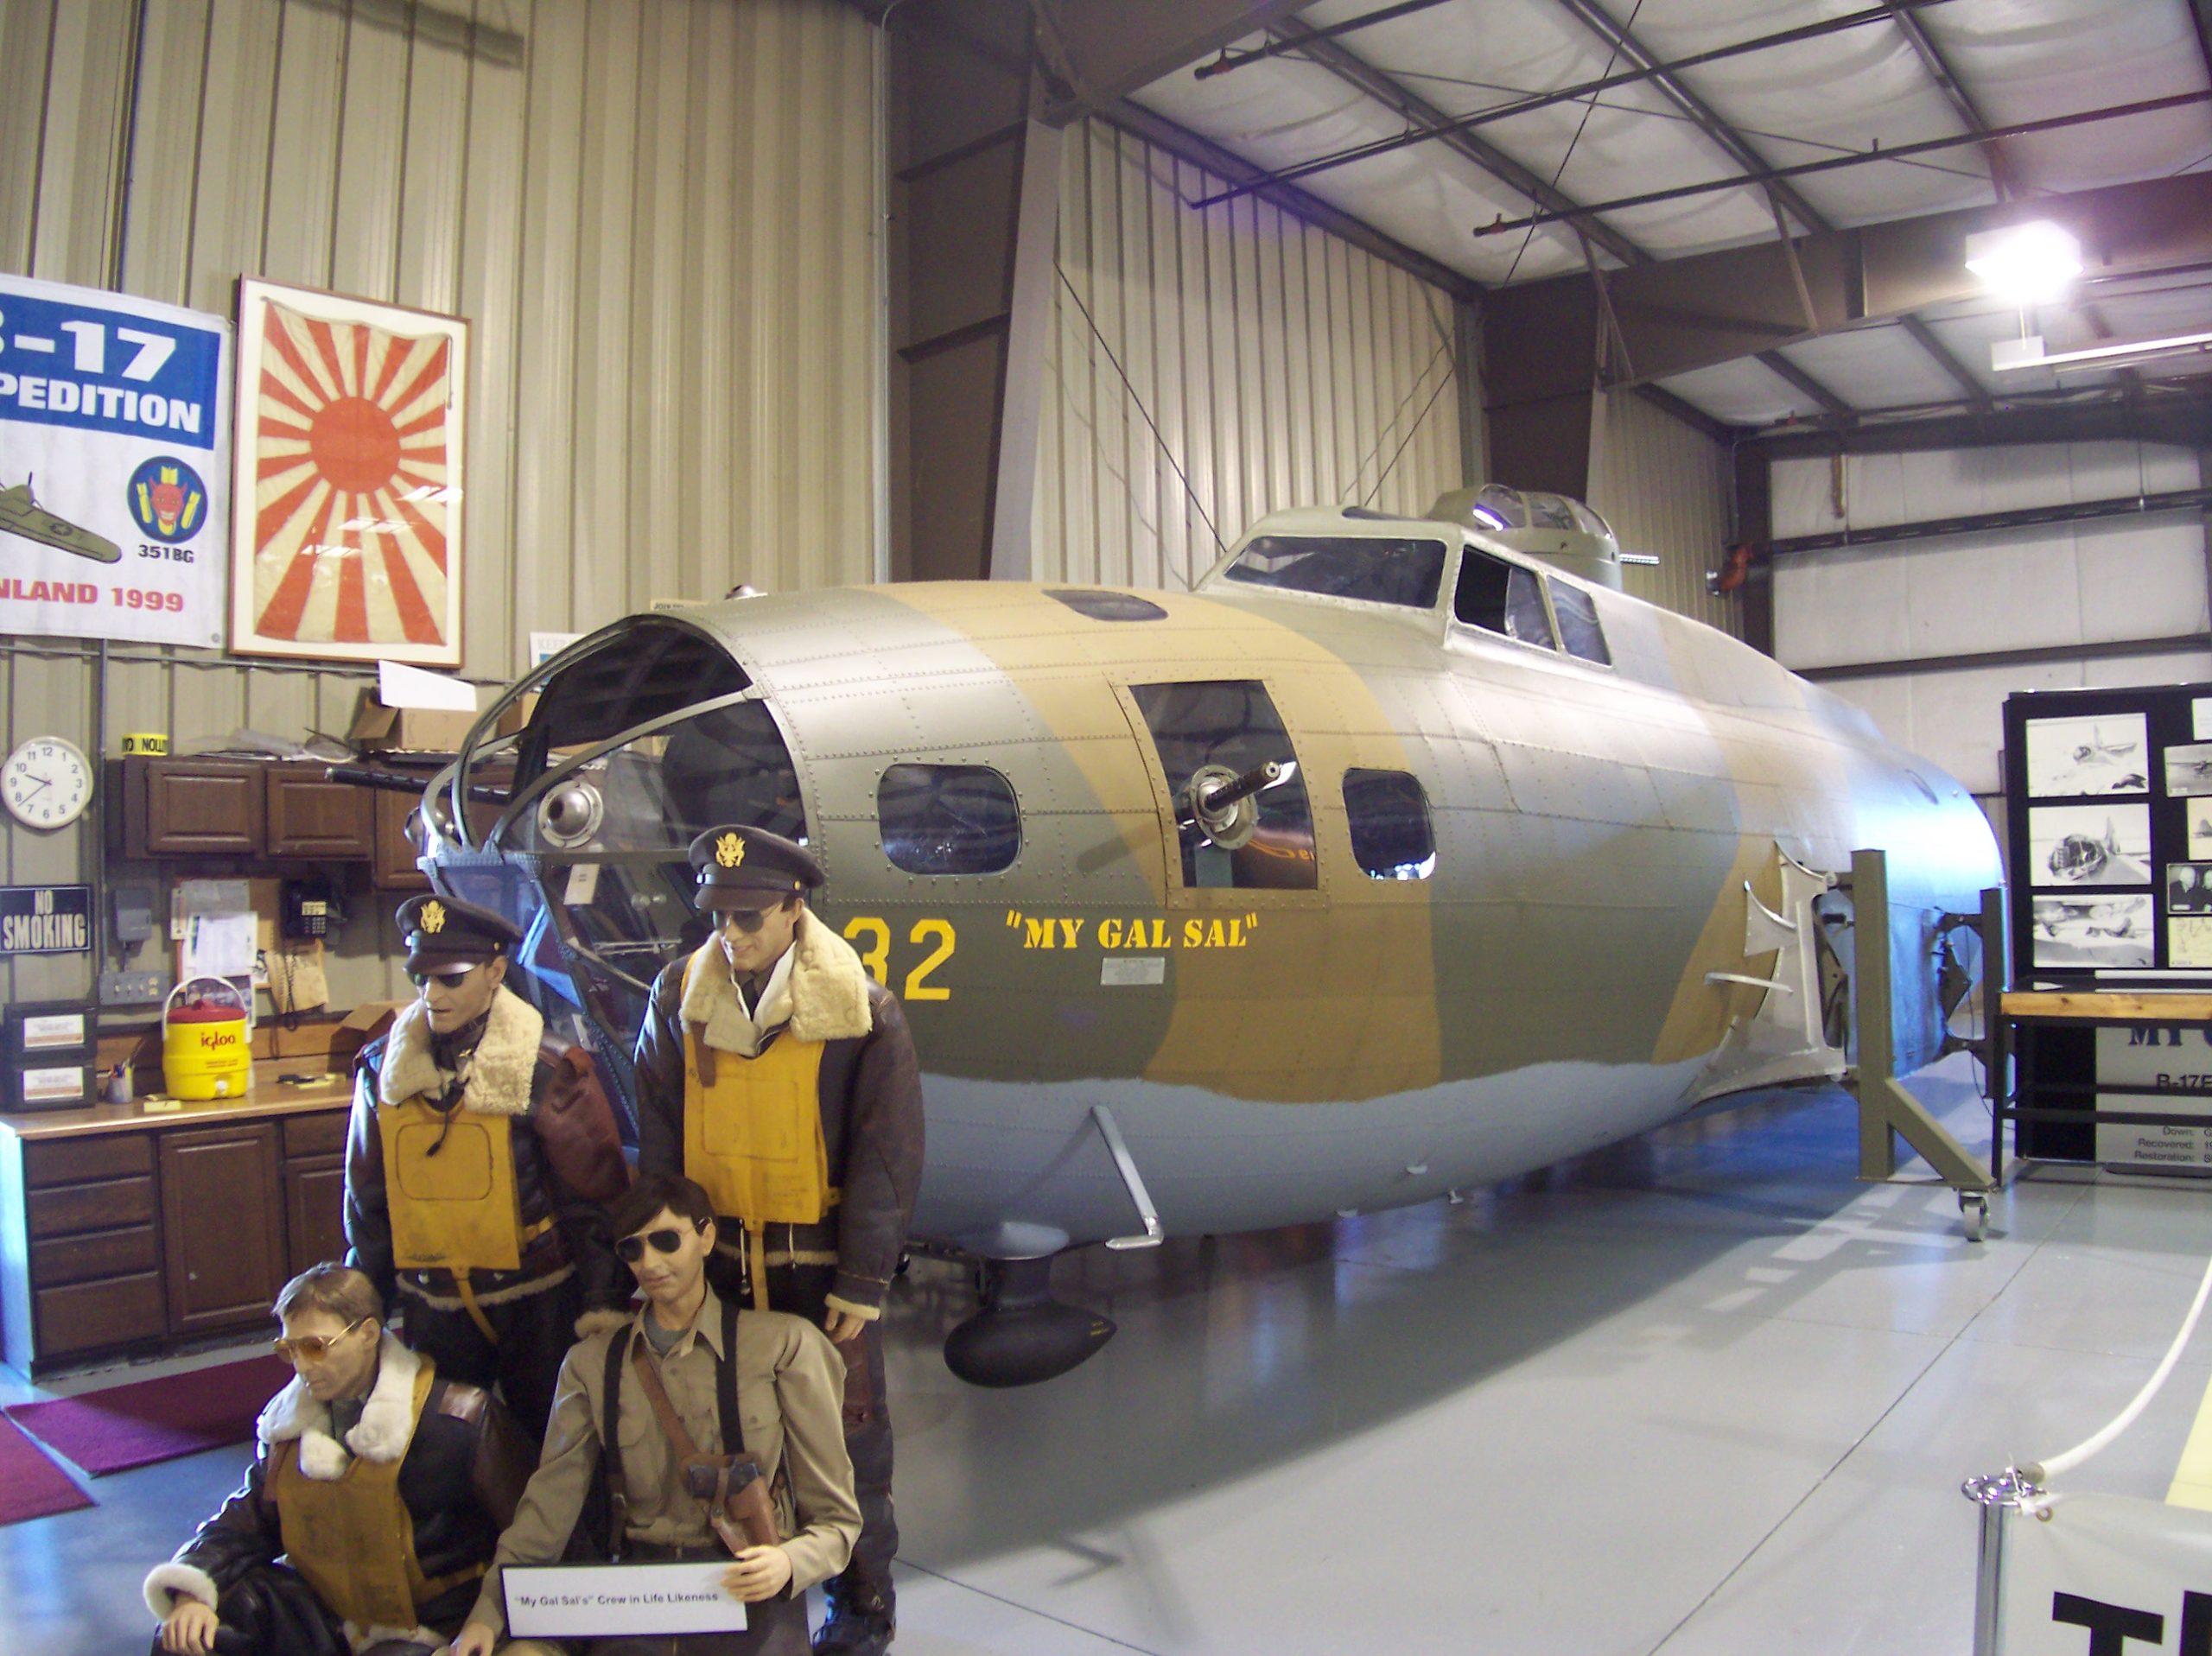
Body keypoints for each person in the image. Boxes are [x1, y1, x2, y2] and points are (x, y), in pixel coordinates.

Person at [633, 826, 922, 1656]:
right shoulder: (676, 998)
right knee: (728, 1428)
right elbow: (659, 1132)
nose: (733, 933)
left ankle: (864, 1601)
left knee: (845, 1436)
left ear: (797, 908)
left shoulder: (862, 1010)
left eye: (751, 915)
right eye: (720, 916)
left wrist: (863, 1281)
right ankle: (745, 1582)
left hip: (817, 1265)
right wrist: (662, 1255)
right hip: (716, 1262)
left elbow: (887, 1153)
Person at [450, 1173, 861, 1656]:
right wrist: (488, 1614)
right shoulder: (591, 1365)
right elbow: (546, 1508)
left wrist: (790, 1562)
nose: (651, 1263)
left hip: (747, 1586)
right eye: (633, 1249)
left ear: (706, 1237)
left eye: (667, 1241)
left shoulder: (782, 1346)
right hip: (638, 1591)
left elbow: (838, 1520)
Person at [346, 892, 632, 1437]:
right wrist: (367, 1305)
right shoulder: (383, 1073)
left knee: (555, 1442)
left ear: (496, 971)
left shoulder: (545, 1070)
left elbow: (593, 1197)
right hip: (435, 1305)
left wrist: (603, 1301)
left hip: (537, 1302)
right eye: (422, 978)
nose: (432, 994)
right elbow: (369, 1200)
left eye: (451, 978)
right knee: (446, 1451)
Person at [143, 1263, 536, 1656]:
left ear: (367, 1334)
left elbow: (534, 1532)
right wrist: (190, 1594)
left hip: (432, 1625)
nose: (301, 1365)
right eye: (288, 1350)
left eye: (315, 1347)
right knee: (185, 1637)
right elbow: (246, 1520)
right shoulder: (287, 1428)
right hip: (331, 1616)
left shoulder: (460, 1419)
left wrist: (491, 1620)